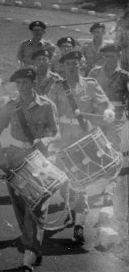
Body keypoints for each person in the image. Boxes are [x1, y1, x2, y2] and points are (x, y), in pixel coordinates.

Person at [0, 68, 59, 272]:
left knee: (36, 209)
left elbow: (56, 131)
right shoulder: (10, 105)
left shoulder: (47, 105)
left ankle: (26, 265)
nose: (23, 87)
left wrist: (47, 141)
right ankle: (33, 249)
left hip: (39, 162)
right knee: (20, 209)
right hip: (14, 160)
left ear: (34, 82)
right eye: (19, 83)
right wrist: (1, 156)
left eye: (26, 82)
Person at [47, 51, 115, 245]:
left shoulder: (91, 85)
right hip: (63, 140)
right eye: (68, 64)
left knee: (80, 182)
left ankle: (79, 225)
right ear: (63, 67)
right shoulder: (58, 86)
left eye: (75, 64)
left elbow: (104, 104)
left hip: (84, 141)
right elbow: (49, 108)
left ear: (81, 65)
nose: (72, 67)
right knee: (63, 182)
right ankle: (72, 210)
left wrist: (108, 111)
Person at [86, 44, 129, 205]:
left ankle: (109, 190)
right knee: (94, 150)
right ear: (102, 57)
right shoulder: (94, 73)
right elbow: (86, 93)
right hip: (96, 117)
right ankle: (93, 187)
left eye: (113, 56)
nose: (109, 60)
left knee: (114, 152)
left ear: (118, 57)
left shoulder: (125, 76)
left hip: (115, 119)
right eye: (106, 56)